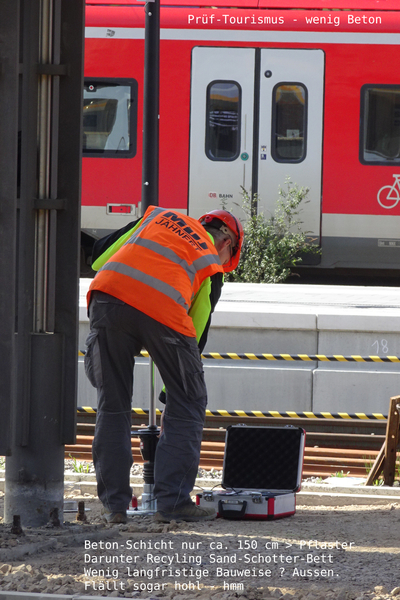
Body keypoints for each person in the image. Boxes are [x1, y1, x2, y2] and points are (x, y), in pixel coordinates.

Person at [84, 205, 243, 523]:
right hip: (164, 311)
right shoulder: (211, 264)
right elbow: (196, 331)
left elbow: (99, 256)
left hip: (108, 298)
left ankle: (115, 507)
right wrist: (174, 390)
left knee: (112, 404)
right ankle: (172, 503)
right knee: (188, 402)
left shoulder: (158, 217)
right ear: (227, 243)